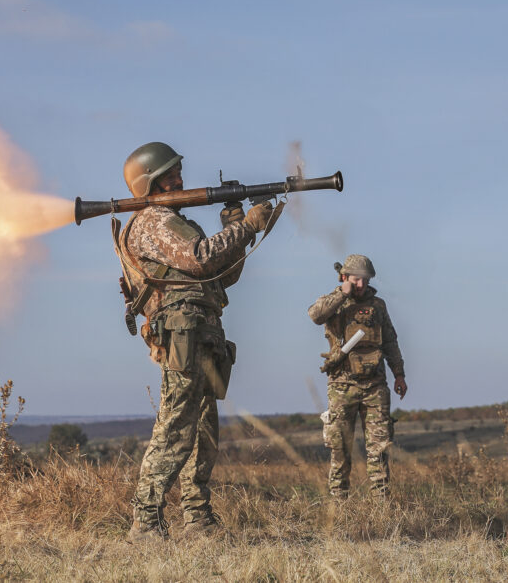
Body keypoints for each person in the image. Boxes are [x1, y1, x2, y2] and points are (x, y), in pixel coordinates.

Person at [116, 142, 274, 542]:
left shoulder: (173, 220)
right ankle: (145, 521)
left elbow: (219, 278)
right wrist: (247, 227)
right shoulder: (154, 221)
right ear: (149, 182)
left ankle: (197, 519)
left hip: (201, 329)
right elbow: (200, 257)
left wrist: (237, 229)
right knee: (175, 428)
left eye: (178, 172)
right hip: (182, 331)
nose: (179, 180)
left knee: (203, 430)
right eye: (169, 175)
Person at [308, 254, 407, 498]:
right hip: (342, 386)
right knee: (339, 449)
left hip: (375, 386)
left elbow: (391, 341)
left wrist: (399, 374)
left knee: (379, 448)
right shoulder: (334, 301)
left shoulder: (378, 306)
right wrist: (342, 293)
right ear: (344, 277)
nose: (361, 285)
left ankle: (381, 505)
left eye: (365, 279)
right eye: (356, 279)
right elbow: (315, 315)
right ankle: (339, 507)